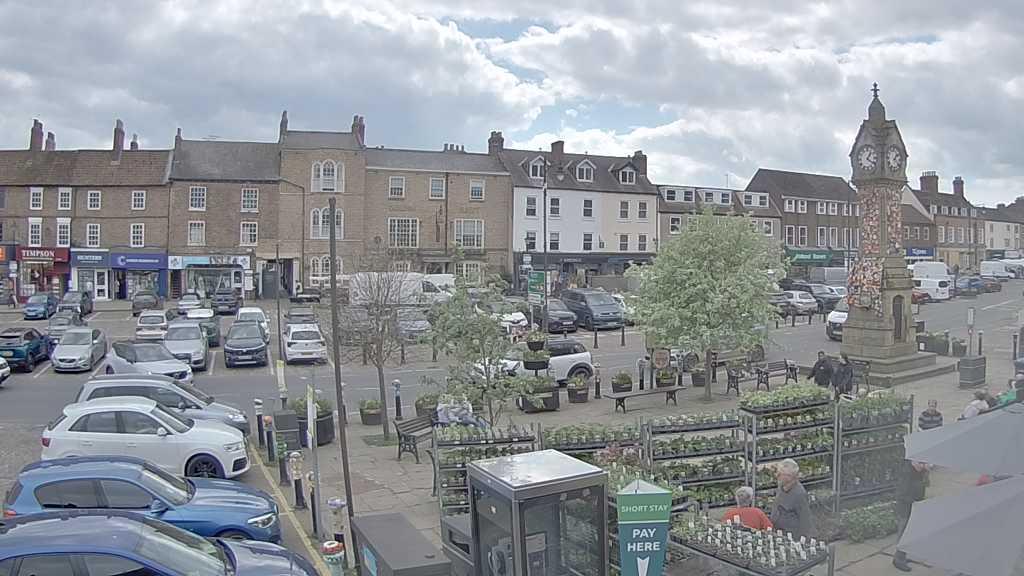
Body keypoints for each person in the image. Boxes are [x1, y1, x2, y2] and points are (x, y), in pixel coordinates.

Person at [892, 460, 929, 572]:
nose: (922, 466)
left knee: (909, 533)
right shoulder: (906, 472)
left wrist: (926, 473)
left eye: (924, 464)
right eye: (920, 463)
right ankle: (898, 559)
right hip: (905, 507)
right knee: (903, 533)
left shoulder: (920, 472)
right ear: (913, 462)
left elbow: (926, 485)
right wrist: (913, 502)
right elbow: (902, 493)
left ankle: (902, 556)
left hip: (913, 505)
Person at [770, 459, 814, 539]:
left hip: (791, 537)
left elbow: (805, 519)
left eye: (780, 474)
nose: (777, 476)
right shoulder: (781, 486)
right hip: (778, 533)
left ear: (790, 477)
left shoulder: (799, 494)